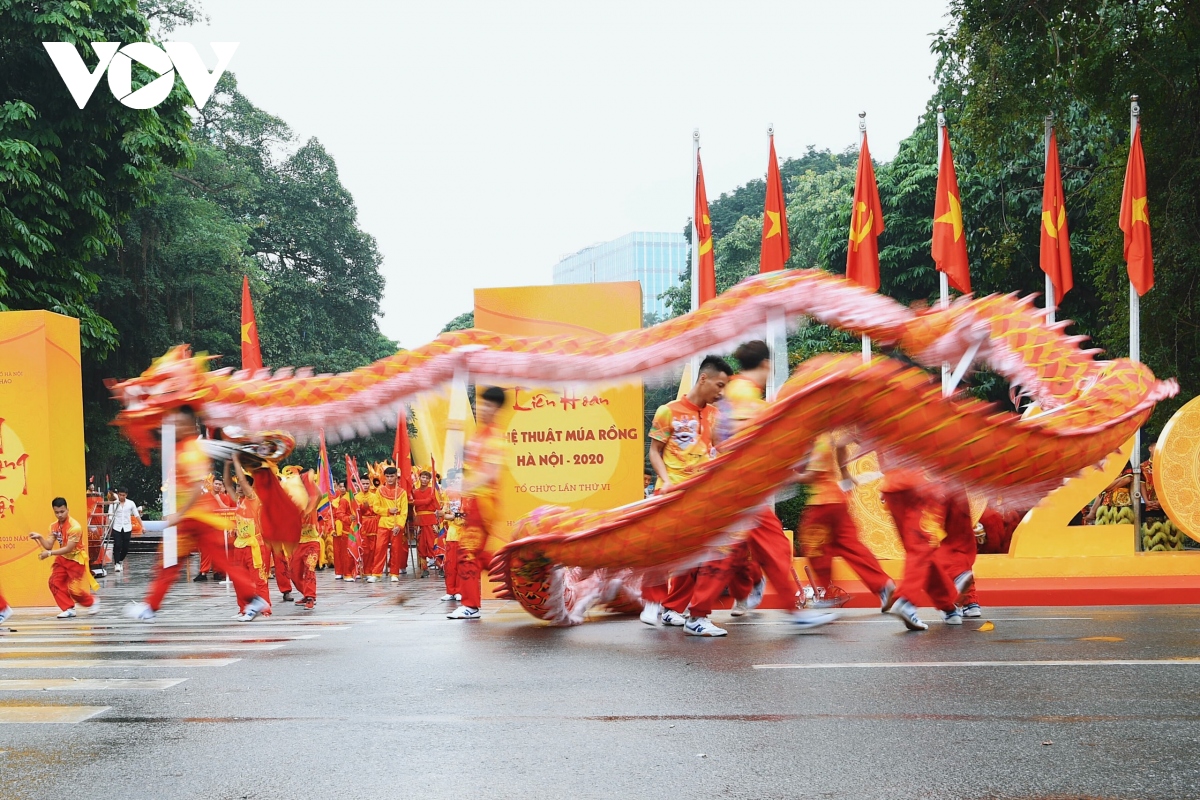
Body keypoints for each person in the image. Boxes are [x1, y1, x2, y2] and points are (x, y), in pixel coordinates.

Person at [702, 341, 837, 632]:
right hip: (742, 489)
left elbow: (717, 437)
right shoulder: (749, 399)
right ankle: (698, 614)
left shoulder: (735, 394)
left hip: (738, 487)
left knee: (765, 548)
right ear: (766, 364)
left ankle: (791, 609)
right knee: (734, 552)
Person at [124, 407, 269, 622]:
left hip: (199, 518)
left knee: (215, 562)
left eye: (179, 422)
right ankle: (151, 606)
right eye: (173, 423)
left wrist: (178, 514)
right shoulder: (181, 448)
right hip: (192, 519)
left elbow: (195, 487)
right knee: (170, 562)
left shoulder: (191, 451)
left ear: (189, 426)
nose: (175, 426)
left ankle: (252, 597)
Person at [640, 355, 734, 637]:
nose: (721, 392)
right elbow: (654, 452)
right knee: (662, 552)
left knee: (695, 556)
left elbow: (720, 450)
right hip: (670, 491)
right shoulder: (667, 411)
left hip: (701, 496)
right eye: (719, 385)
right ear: (703, 378)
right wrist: (666, 481)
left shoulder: (716, 416)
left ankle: (673, 609)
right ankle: (653, 601)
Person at [795, 432, 894, 608]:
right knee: (851, 545)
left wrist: (785, 478)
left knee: (813, 547)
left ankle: (826, 595)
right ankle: (883, 584)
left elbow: (812, 475)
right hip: (837, 501)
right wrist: (845, 472)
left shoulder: (822, 440)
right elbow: (842, 444)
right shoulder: (825, 437)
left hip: (823, 503)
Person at [879, 466, 973, 630]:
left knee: (920, 550)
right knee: (922, 547)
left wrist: (845, 478)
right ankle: (907, 601)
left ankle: (949, 606)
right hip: (924, 483)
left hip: (892, 485)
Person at [448, 386, 511, 620]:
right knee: (478, 556)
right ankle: (519, 569)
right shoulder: (480, 434)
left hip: (484, 505)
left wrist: (467, 486)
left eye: (486, 405)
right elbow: (467, 459)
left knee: (467, 554)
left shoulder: (495, 438)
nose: (480, 408)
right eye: (479, 405)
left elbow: (489, 473)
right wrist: (454, 435)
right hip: (475, 503)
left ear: (496, 409)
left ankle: (471, 605)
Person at [30, 497, 99, 618]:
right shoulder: (53, 527)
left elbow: (69, 548)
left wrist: (50, 554)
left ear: (68, 509)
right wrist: (40, 537)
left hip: (76, 560)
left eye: (62, 511)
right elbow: (49, 546)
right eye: (56, 512)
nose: (59, 515)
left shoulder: (75, 527)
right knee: (54, 582)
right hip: (62, 559)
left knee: (74, 589)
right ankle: (68, 608)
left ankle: (92, 602)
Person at [228, 455, 271, 619]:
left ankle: (265, 609)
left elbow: (242, 480)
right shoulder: (238, 501)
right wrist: (227, 464)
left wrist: (236, 460)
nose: (238, 488)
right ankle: (244, 609)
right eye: (237, 486)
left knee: (259, 579)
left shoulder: (254, 499)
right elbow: (227, 483)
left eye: (241, 485)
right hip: (240, 545)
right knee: (239, 580)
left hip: (255, 546)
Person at [289, 468, 322, 611]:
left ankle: (310, 597)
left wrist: (310, 481)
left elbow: (320, 495)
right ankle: (306, 593)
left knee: (310, 569)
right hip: (296, 544)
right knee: (293, 573)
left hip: (311, 542)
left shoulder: (312, 502)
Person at [371, 466, 409, 582]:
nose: (389, 479)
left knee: (396, 550)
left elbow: (404, 512)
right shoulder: (380, 490)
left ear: (396, 477)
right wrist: (388, 511)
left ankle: (394, 573)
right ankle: (376, 573)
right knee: (379, 549)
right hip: (383, 523)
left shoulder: (402, 492)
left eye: (392, 476)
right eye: (387, 476)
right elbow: (375, 508)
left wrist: (399, 526)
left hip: (396, 524)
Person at [411, 469, 443, 578]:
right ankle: (425, 569)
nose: (424, 479)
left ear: (429, 480)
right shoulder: (414, 491)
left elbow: (431, 503)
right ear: (419, 478)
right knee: (421, 545)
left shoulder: (432, 490)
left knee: (433, 544)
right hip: (420, 521)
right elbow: (411, 503)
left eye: (426, 478)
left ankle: (440, 567)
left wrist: (416, 502)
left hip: (430, 520)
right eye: (422, 477)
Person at [110, 488, 140, 574]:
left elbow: (136, 515)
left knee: (126, 547)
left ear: (126, 495)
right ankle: (117, 564)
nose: (121, 497)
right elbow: (110, 516)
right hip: (117, 527)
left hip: (127, 527)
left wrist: (143, 526)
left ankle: (120, 560)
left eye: (123, 495)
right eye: (120, 495)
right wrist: (107, 529)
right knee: (117, 545)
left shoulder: (131, 503)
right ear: (118, 494)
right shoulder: (114, 503)